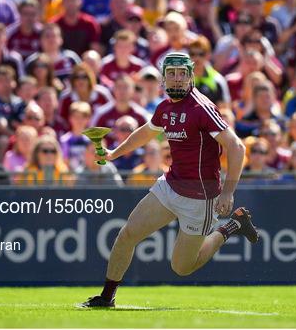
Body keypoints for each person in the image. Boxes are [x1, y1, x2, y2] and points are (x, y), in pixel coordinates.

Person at [81, 52, 258, 308]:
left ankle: (231, 226)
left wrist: (228, 192)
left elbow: (237, 148)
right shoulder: (165, 107)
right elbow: (146, 133)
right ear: (163, 79)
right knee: (127, 234)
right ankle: (106, 297)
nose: (176, 79)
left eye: (182, 74)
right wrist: (114, 154)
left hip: (200, 197)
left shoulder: (201, 108)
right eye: (171, 74)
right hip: (170, 185)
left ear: (190, 78)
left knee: (182, 267)